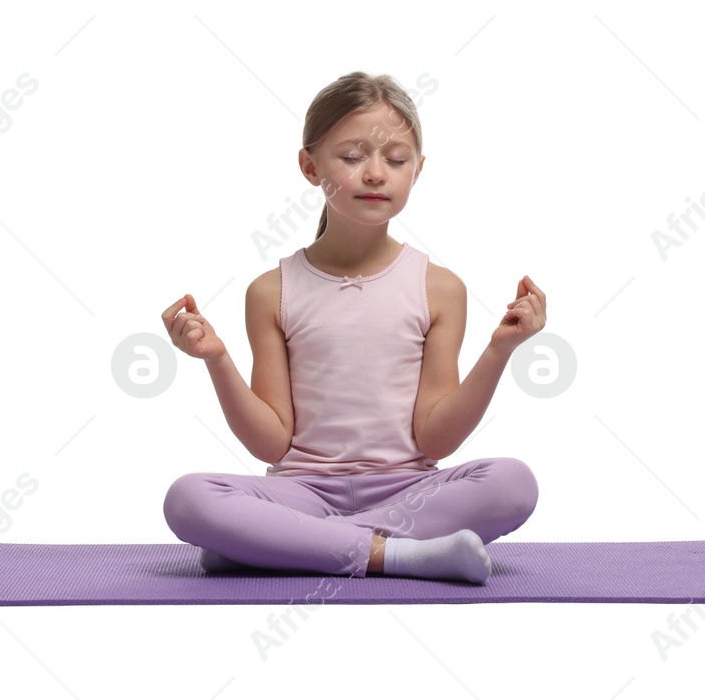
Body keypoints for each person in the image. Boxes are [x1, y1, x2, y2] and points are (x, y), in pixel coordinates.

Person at [160, 70, 544, 582]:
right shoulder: (271, 291)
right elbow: (272, 444)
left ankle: (282, 544)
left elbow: (434, 440)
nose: (375, 173)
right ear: (308, 164)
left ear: (418, 170)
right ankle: (398, 555)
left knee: (513, 482)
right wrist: (217, 360)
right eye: (352, 156)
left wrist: (500, 351)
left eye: (396, 159)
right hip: (302, 491)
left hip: (408, 493)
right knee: (188, 499)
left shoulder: (440, 287)